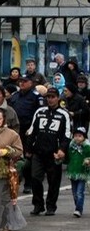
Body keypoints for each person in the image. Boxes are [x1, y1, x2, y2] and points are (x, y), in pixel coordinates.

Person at [27, 88, 73, 216]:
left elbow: (67, 134)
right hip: (38, 152)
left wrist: (62, 149)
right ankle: (38, 205)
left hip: (54, 153)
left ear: (58, 98)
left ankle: (51, 206)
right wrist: (29, 149)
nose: (50, 99)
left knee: (53, 181)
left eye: (52, 97)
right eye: (48, 97)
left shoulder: (64, 114)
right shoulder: (39, 111)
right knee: (35, 178)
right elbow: (32, 131)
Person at [65, 127, 90, 218]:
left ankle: (79, 209)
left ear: (84, 137)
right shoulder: (71, 147)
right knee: (75, 194)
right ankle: (78, 207)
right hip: (72, 172)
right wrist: (59, 158)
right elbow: (67, 159)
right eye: (75, 136)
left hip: (82, 172)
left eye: (80, 136)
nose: (77, 138)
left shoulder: (87, 147)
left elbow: (89, 156)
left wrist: (88, 161)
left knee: (80, 193)